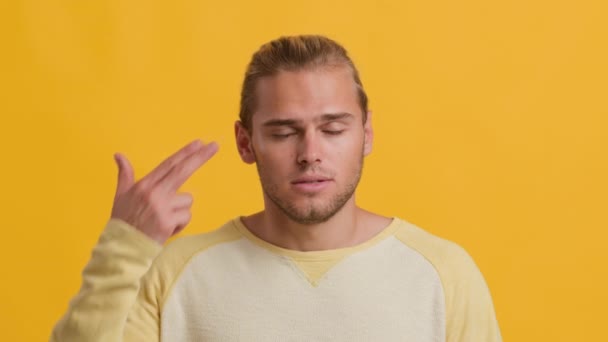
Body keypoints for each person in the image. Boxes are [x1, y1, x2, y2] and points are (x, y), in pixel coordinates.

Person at [51, 35, 502, 342]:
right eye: (285, 132)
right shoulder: (177, 274)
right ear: (246, 142)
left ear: (366, 134)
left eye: (332, 129)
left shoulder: (442, 274)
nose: (310, 153)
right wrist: (123, 250)